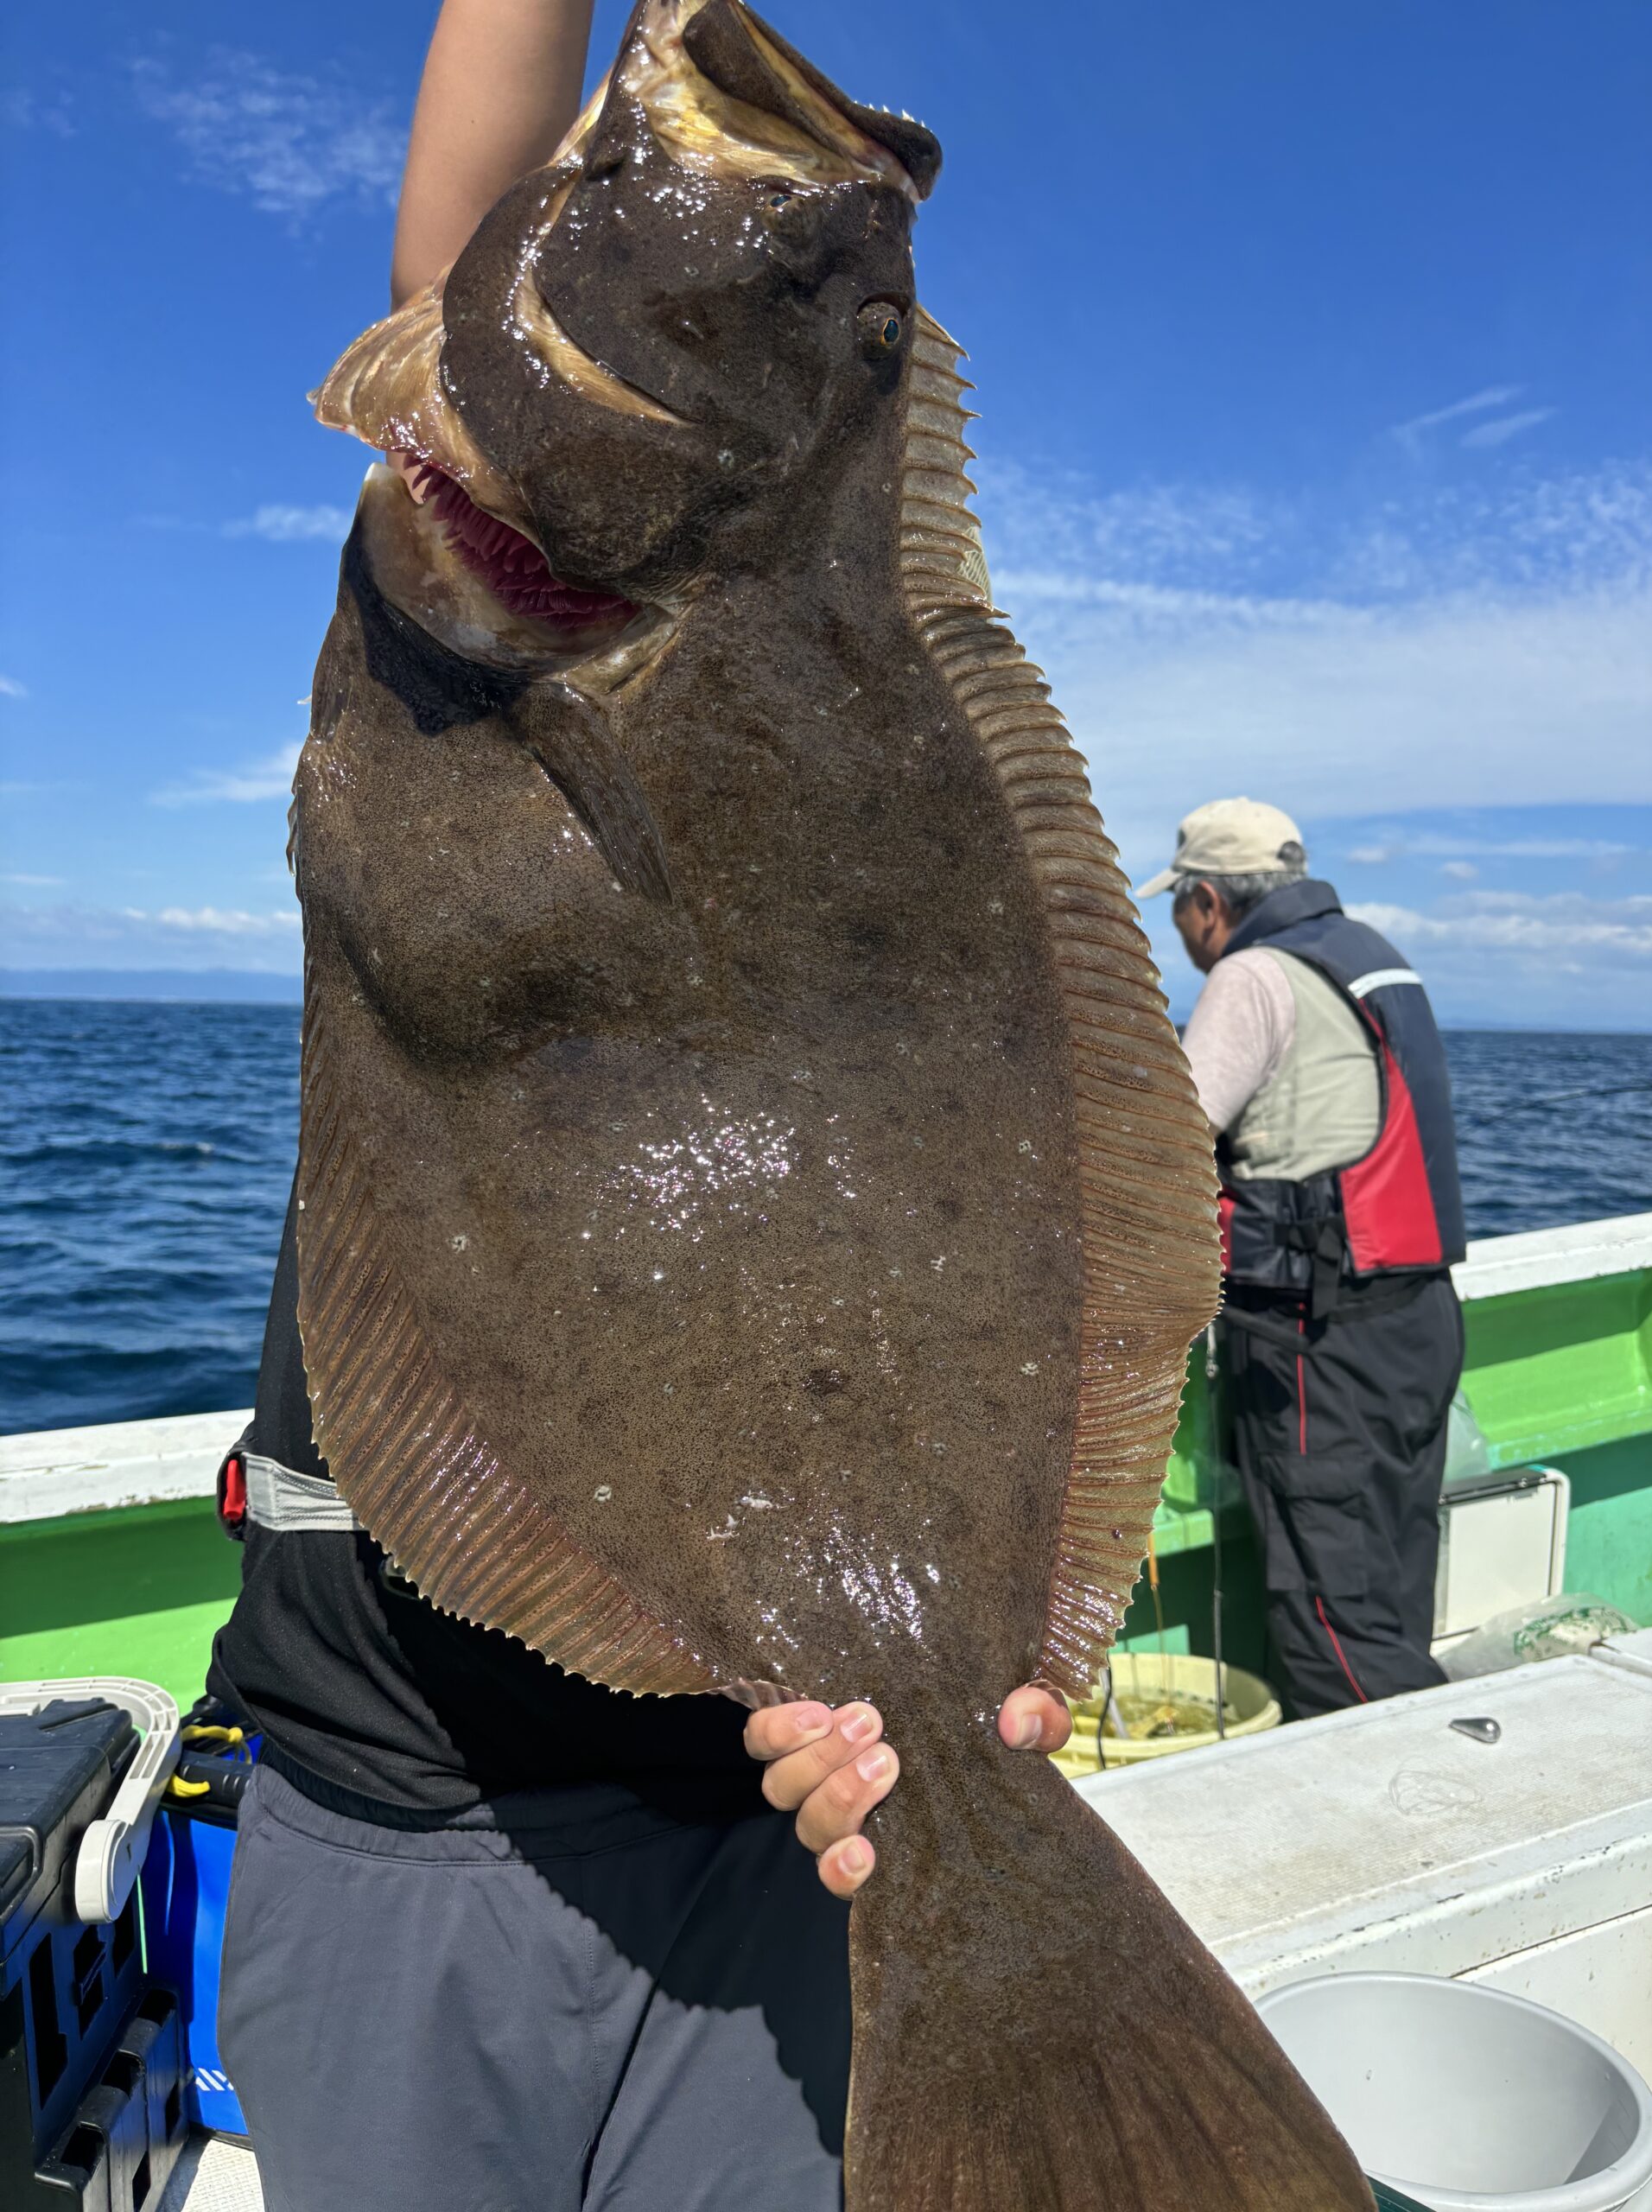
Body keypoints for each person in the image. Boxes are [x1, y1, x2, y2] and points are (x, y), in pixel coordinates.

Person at [207, 9, 1070, 2209]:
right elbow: (476, 235)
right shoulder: (491, 529)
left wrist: (950, 1674)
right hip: (409, 1798)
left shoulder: (638, 567)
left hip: (783, 1818)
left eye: (835, 309)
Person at [1137, 798, 1466, 1720]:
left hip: (1321, 1344)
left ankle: (1394, 1785)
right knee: (1389, 1579)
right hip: (1417, 1320)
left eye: (1180, 906)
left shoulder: (1251, 976)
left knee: (1334, 1622)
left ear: (1209, 901)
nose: (1181, 928)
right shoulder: (1369, 953)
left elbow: (1167, 1143)